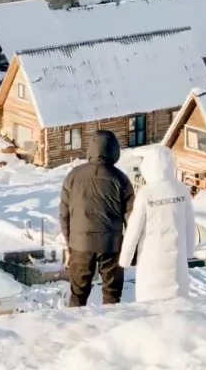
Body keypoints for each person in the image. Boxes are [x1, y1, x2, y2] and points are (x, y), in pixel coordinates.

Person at [60, 130, 133, 308]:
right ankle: (110, 330)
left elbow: (64, 214)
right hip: (111, 245)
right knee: (112, 294)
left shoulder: (73, 176)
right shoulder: (121, 179)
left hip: (80, 244)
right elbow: (131, 217)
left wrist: (70, 244)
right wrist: (130, 248)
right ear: (115, 150)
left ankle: (73, 330)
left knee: (78, 294)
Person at [119, 146, 196, 303]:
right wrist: (189, 251)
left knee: (151, 305)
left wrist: (124, 259)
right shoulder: (182, 190)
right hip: (177, 260)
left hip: (150, 259)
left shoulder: (146, 193)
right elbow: (190, 224)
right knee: (177, 302)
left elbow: (133, 230)